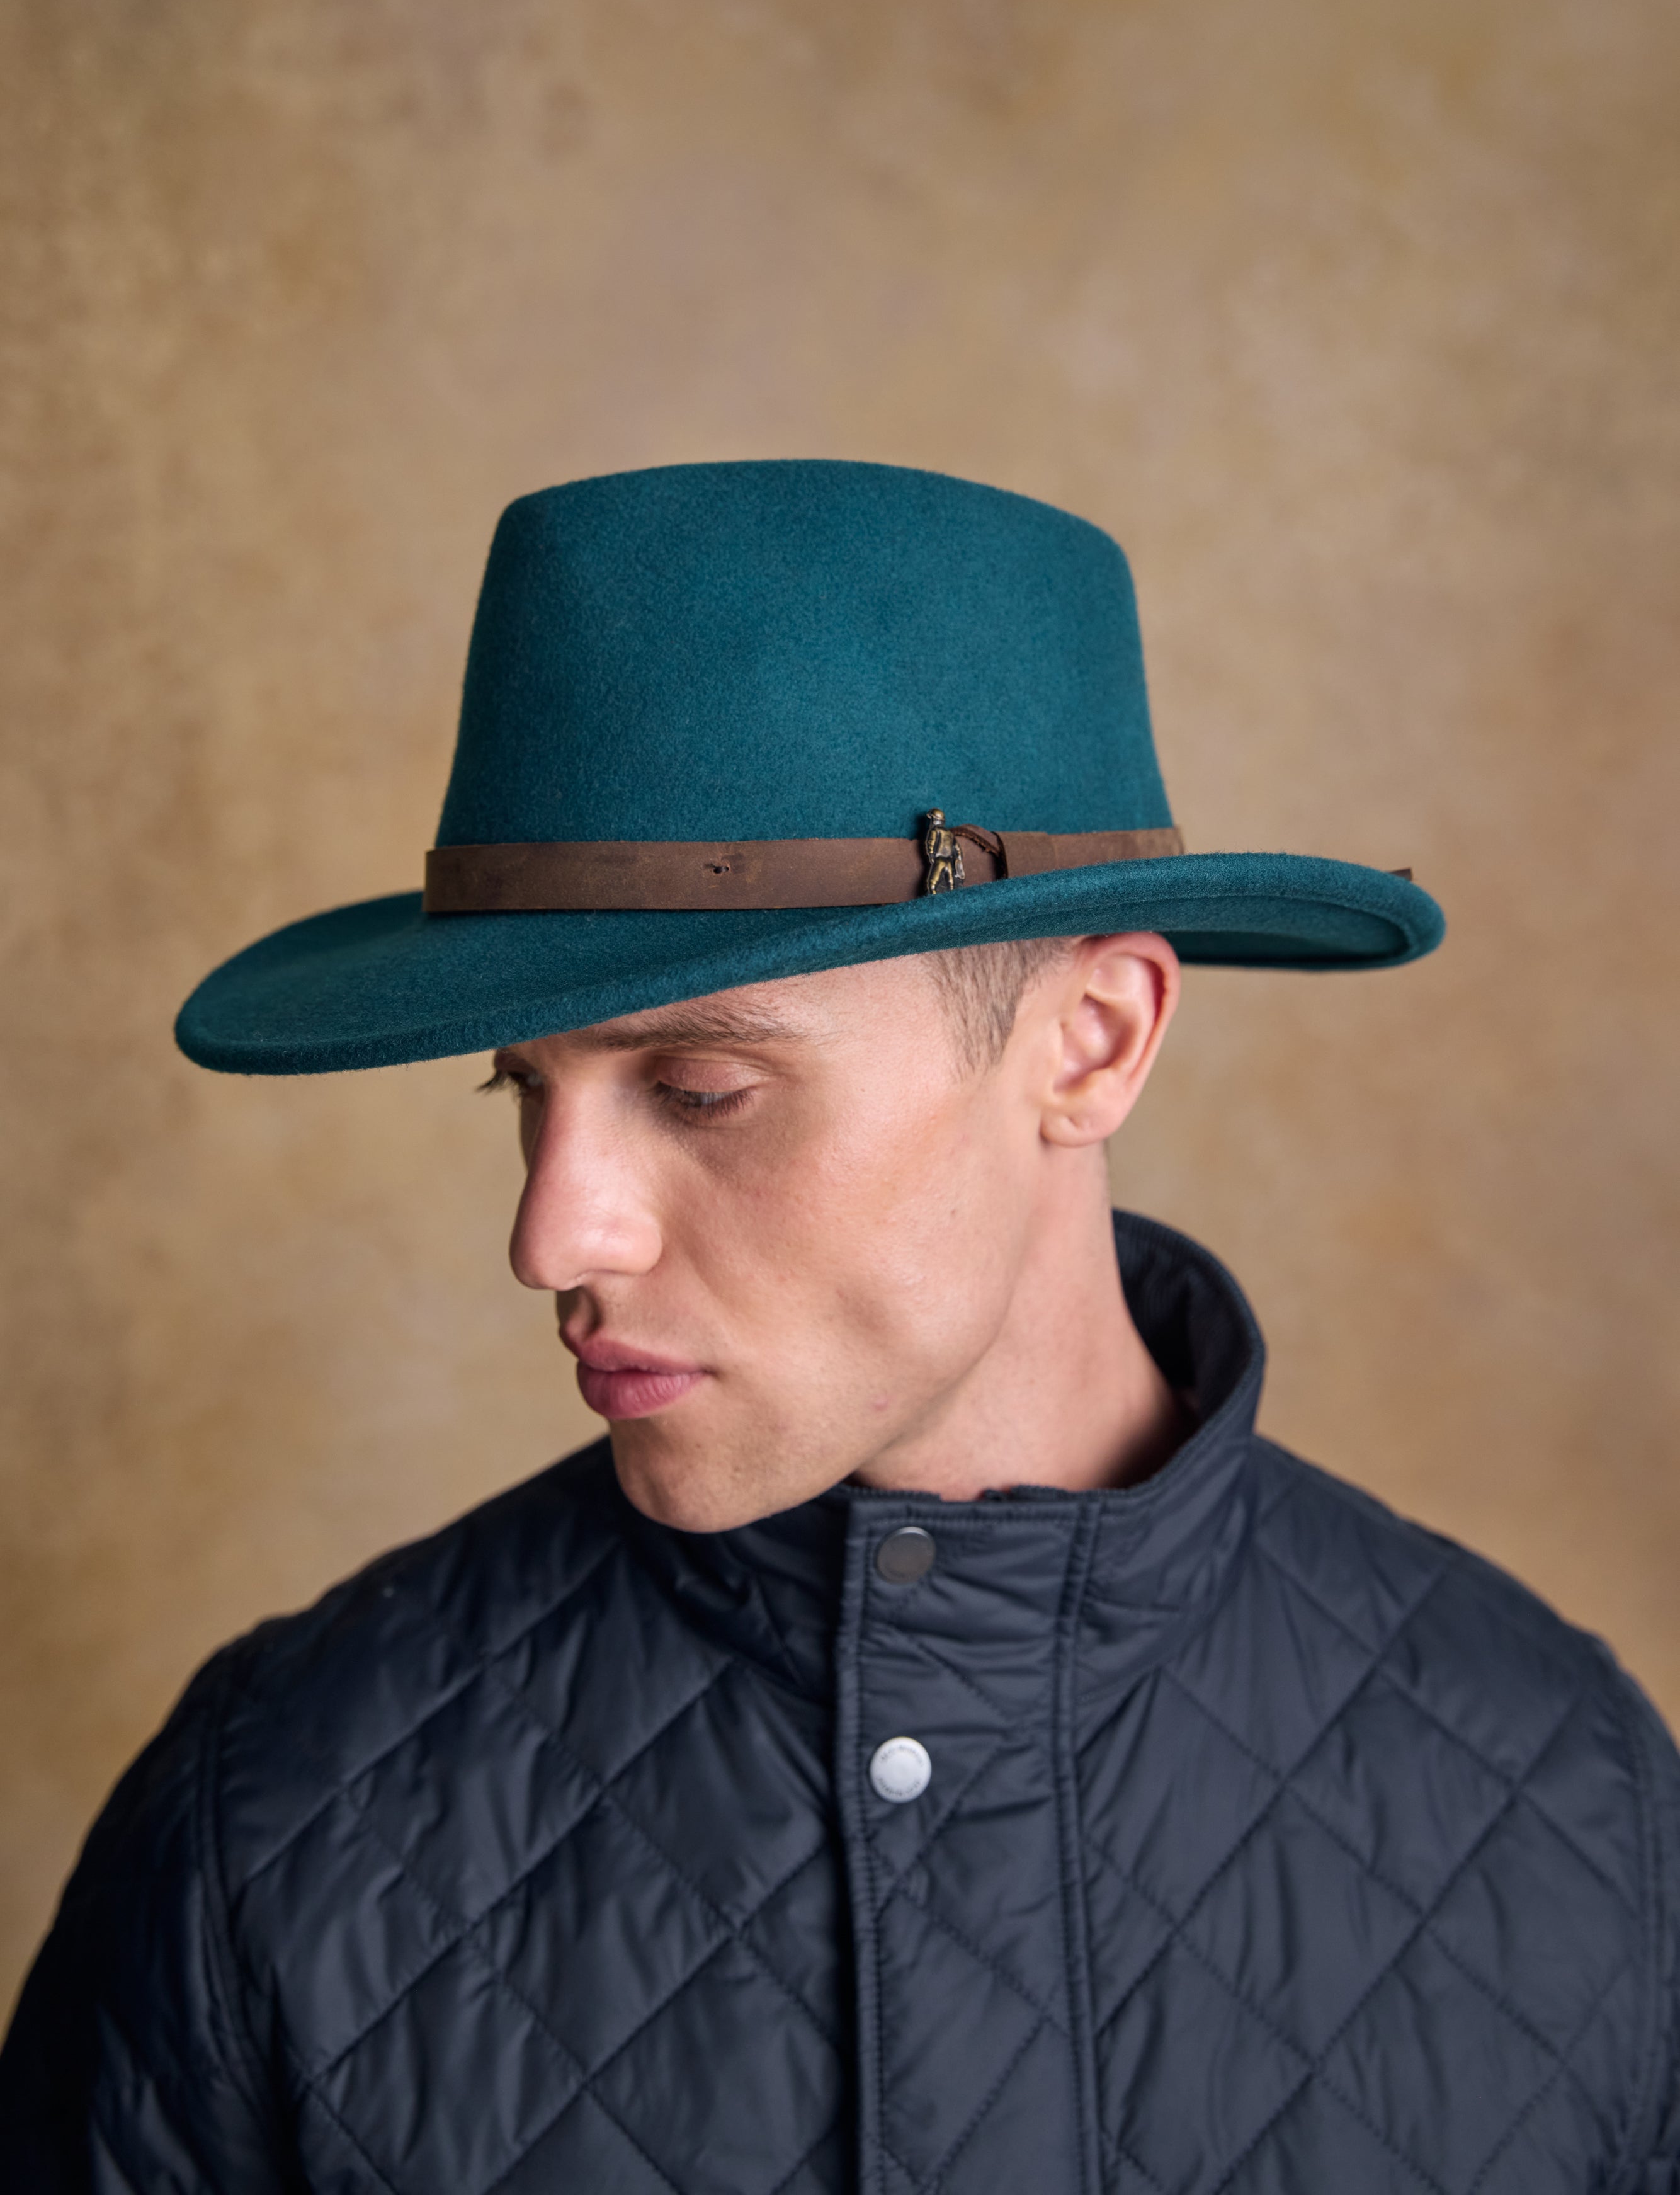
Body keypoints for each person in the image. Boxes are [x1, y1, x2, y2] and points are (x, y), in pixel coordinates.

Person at [2, 457, 1675, 2194]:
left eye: (701, 1090)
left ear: (1091, 1041)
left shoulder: (1572, 1797)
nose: (550, 1234)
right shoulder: (274, 1806)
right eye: (525, 1091)